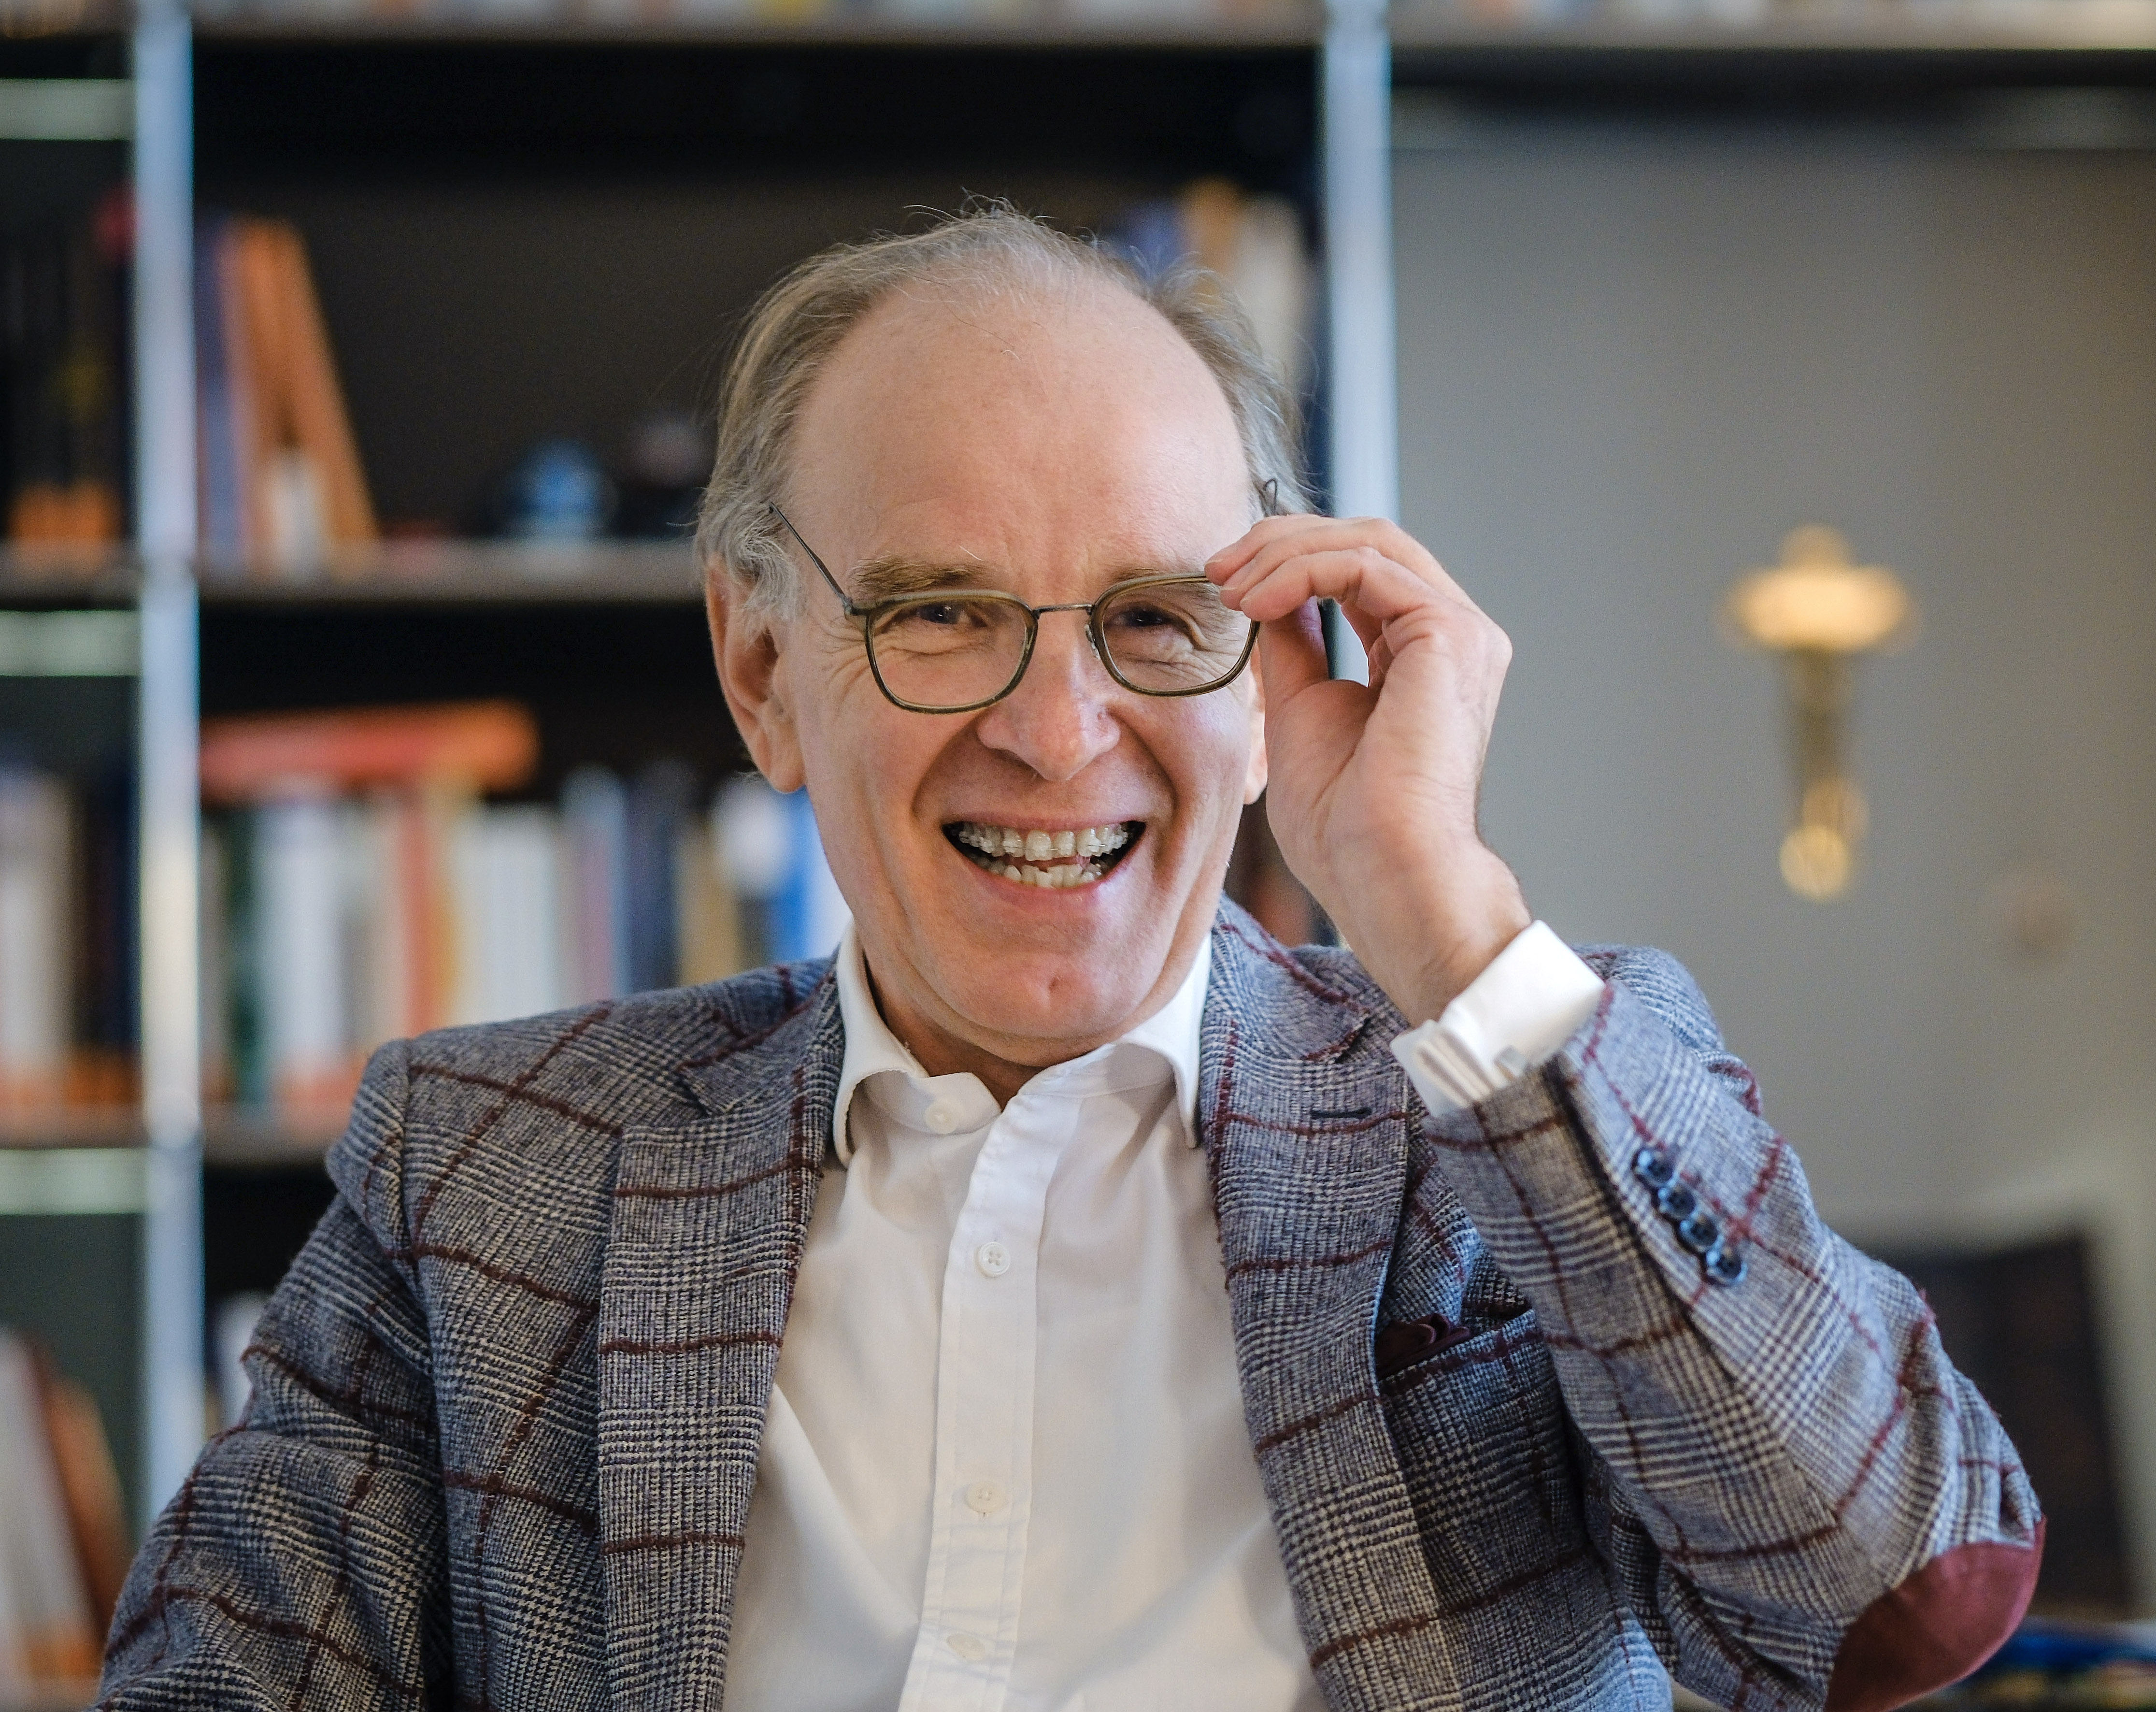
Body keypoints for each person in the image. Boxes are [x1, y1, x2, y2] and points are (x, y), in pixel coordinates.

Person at [98, 210, 2040, 1712]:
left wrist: (1437, 910)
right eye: (941, 612)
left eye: (1154, 616)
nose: (1054, 731)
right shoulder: (482, 1171)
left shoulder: (1525, 1098)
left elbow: (1893, 1599)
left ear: (1267, 669)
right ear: (762, 669)